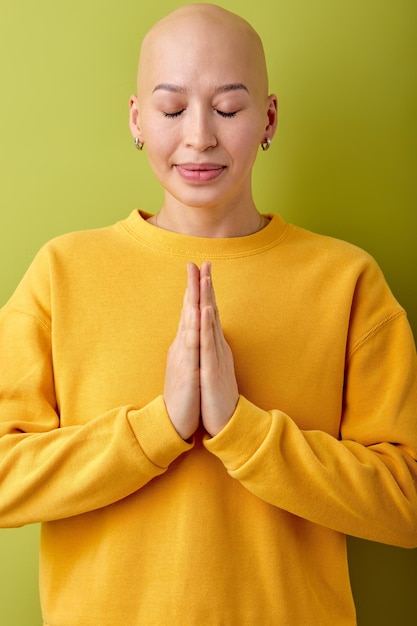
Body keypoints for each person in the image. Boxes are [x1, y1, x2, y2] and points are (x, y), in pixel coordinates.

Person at [0, 3, 416, 625]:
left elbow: (406, 499)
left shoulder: (345, 280)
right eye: (171, 109)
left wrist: (240, 430)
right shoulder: (63, 273)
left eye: (228, 108)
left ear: (269, 118)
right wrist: (157, 428)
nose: (199, 136)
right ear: (137, 119)